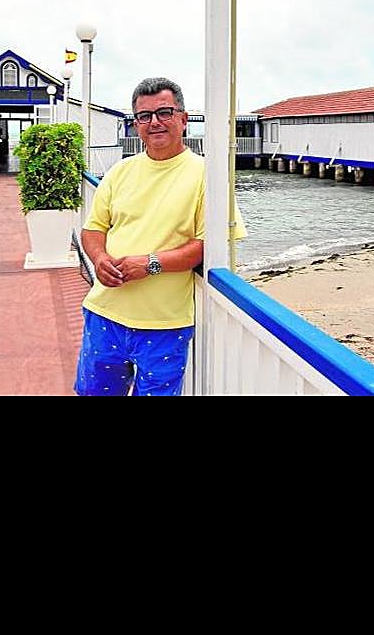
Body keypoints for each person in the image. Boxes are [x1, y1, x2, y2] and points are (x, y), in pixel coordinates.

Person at [75, 77, 246, 396]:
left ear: (183, 119)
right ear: (136, 124)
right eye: (144, 116)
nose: (154, 122)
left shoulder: (207, 176)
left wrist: (151, 264)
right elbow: (93, 229)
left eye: (165, 112)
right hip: (105, 312)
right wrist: (99, 259)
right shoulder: (119, 172)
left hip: (164, 323)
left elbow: (207, 244)